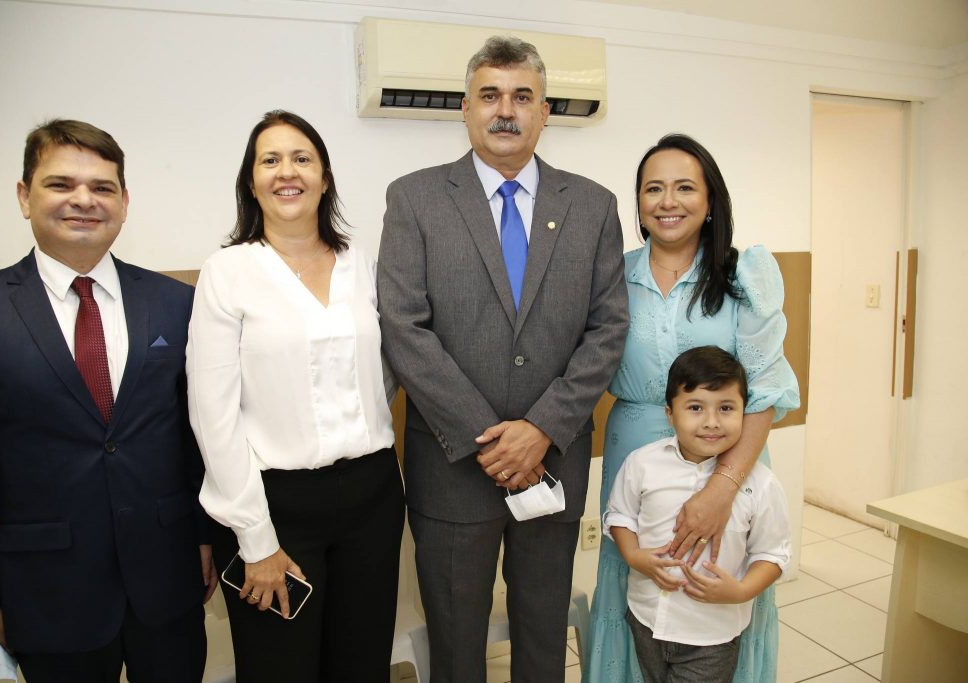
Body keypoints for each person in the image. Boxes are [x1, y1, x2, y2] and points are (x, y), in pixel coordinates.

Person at [377, 35, 630, 683]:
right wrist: (489, 439)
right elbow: (405, 328)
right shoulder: (415, 199)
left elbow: (608, 327)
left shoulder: (594, 206)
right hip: (453, 464)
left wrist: (542, 429)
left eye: (522, 96)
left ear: (545, 111)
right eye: (490, 95)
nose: (505, 110)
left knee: (543, 634)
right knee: (456, 643)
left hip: (555, 462)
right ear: (465, 108)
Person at [0, 119, 214, 682]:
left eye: (103, 187)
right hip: (45, 592)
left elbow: (197, 437)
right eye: (61, 184)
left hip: (167, 583)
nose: (83, 200)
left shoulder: (177, 304)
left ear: (124, 201)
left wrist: (206, 539)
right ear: (24, 196)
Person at [186, 110, 404, 682]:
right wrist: (255, 540)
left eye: (302, 158)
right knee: (280, 668)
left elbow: (383, 374)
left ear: (325, 177)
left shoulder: (363, 264)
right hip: (274, 506)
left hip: (372, 494)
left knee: (362, 665)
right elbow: (213, 414)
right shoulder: (227, 272)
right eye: (271, 160)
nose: (289, 172)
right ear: (251, 181)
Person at [584, 133, 800, 682]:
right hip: (633, 448)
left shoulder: (742, 276)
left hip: (728, 455)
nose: (667, 201)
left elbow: (766, 393)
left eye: (684, 187)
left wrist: (722, 488)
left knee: (713, 584)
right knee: (640, 585)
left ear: (710, 201)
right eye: (653, 188)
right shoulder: (609, 275)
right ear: (637, 202)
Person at [605, 346, 791, 683]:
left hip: (711, 634)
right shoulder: (642, 463)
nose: (711, 422)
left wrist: (742, 591)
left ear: (743, 412)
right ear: (669, 413)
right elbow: (620, 515)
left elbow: (773, 553)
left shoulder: (761, 484)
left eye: (726, 408)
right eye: (695, 408)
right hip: (646, 617)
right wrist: (633, 556)